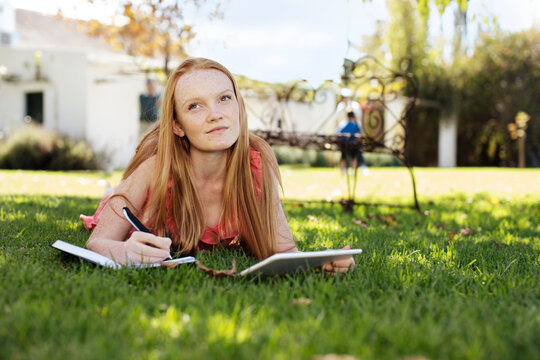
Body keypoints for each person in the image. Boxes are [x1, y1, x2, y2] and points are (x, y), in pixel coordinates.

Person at [81, 57, 354, 274]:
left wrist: (322, 264)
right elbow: (97, 244)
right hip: (138, 205)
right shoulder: (155, 168)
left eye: (224, 98)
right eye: (195, 107)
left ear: (238, 106)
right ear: (177, 125)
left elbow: (284, 250)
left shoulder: (257, 168)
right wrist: (125, 252)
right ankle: (109, 193)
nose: (216, 115)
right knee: (109, 202)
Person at [337, 110, 369, 176]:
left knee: (344, 157)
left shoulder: (343, 124)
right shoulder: (356, 125)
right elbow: (360, 135)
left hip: (345, 145)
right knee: (356, 157)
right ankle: (354, 172)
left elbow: (339, 134)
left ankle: (344, 171)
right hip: (353, 146)